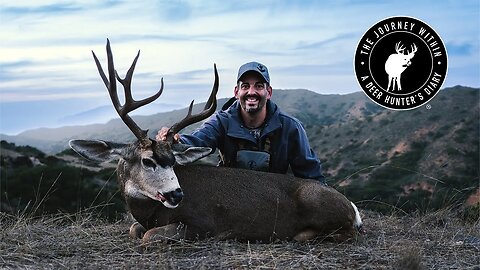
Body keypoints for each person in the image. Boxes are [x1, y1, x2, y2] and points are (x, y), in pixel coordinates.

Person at [157, 61, 325, 183]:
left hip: (275, 201)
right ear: (237, 92)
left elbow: (311, 175)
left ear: (269, 92)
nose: (251, 92)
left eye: (259, 86)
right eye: (245, 86)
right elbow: (196, 142)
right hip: (230, 200)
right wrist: (173, 142)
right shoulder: (221, 121)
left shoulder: (290, 127)